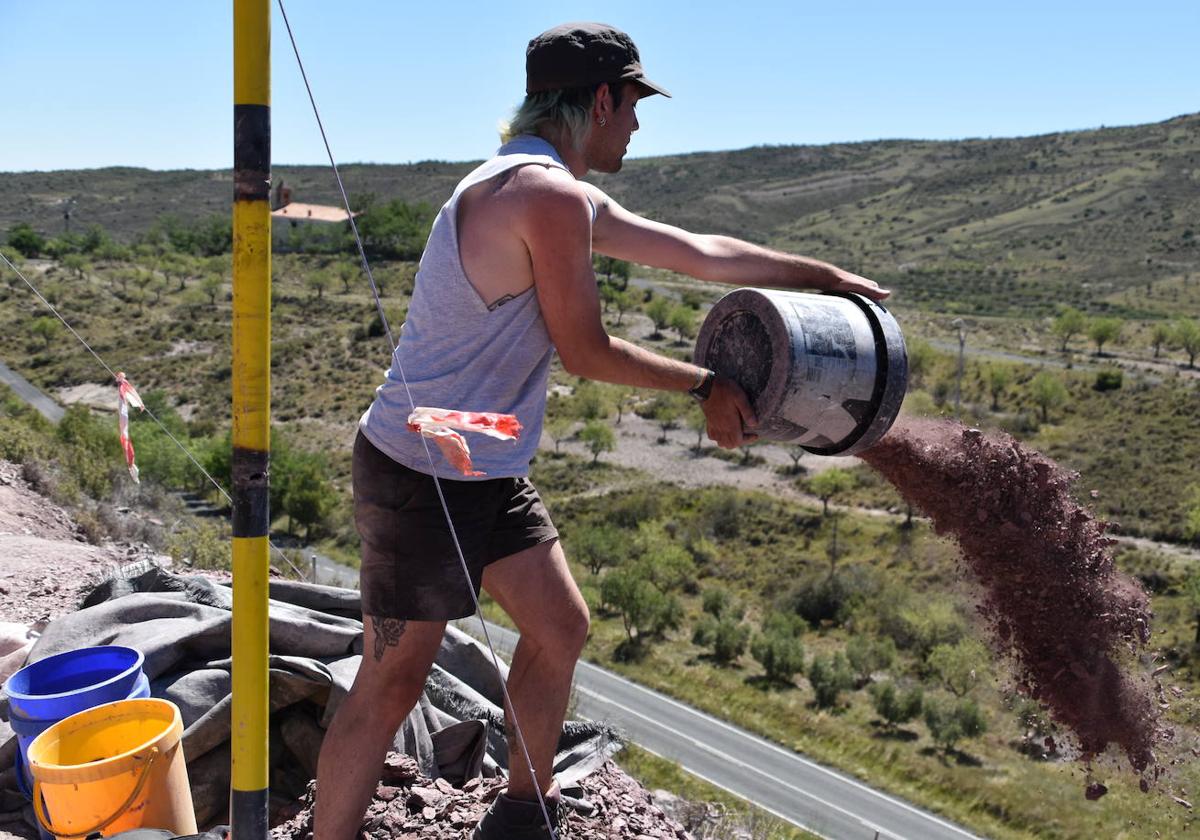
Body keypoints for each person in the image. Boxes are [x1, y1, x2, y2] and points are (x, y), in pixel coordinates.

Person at [314, 21, 888, 840]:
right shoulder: (541, 196)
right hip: (423, 463)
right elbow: (584, 351)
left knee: (559, 627)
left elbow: (699, 253)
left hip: (480, 455)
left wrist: (818, 276)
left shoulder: (548, 190)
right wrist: (707, 385)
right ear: (602, 98)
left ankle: (521, 812)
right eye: (633, 106)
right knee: (392, 681)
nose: (638, 126)